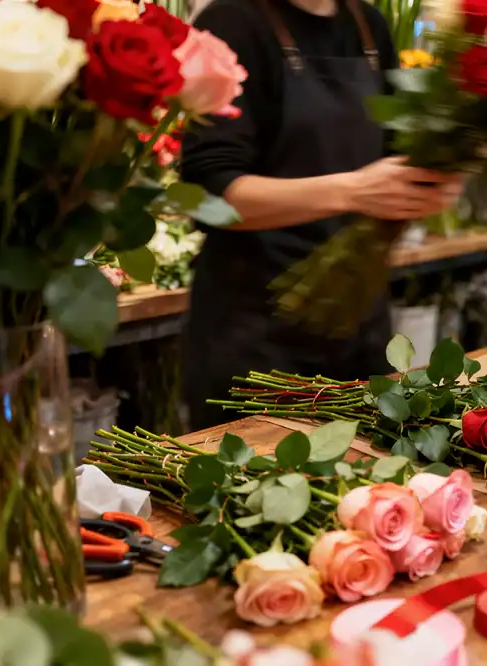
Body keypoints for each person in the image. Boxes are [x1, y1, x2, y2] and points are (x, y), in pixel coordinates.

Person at [180, 0, 460, 430]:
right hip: (256, 339)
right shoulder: (232, 22)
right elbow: (209, 195)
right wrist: (352, 191)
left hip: (359, 328)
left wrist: (430, 181)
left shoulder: (369, 26)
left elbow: (393, 158)